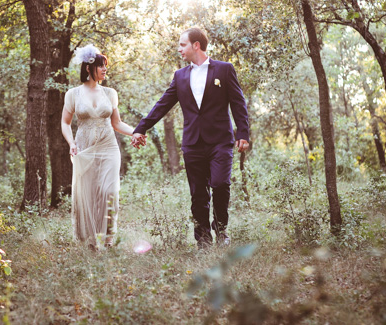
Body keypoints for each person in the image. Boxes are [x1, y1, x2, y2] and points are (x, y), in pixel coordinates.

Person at [132, 27, 250, 249]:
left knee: (220, 184)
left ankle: (221, 229)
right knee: (197, 193)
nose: (179, 49)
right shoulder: (180, 76)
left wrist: (243, 133)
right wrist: (141, 128)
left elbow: (238, 102)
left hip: (220, 141)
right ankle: (203, 238)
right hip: (193, 143)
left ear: (196, 45)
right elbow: (162, 104)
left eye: (182, 44)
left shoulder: (224, 70)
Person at [61, 44, 138, 250]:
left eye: (106, 66)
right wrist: (71, 143)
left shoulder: (110, 93)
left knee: (109, 191)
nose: (105, 70)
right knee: (88, 192)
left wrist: (137, 131)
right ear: (88, 68)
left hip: (108, 146)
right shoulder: (73, 94)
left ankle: (109, 239)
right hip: (84, 147)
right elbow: (65, 123)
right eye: (101, 66)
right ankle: (91, 241)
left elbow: (117, 123)